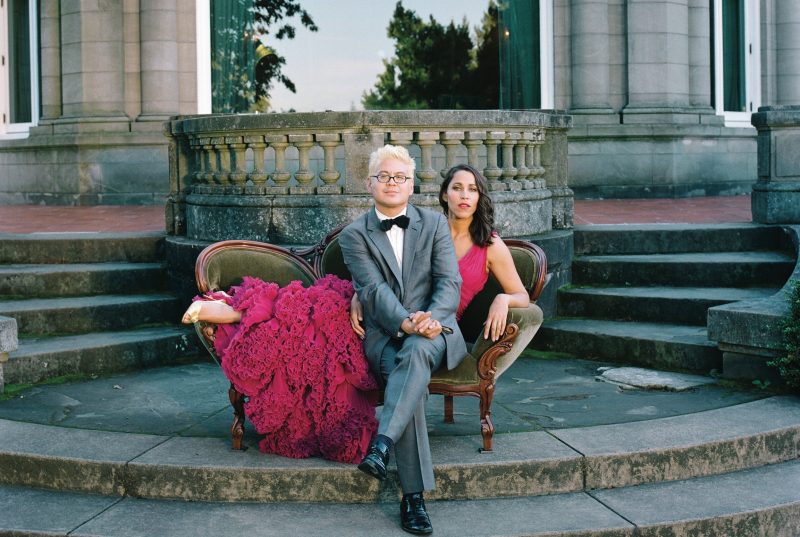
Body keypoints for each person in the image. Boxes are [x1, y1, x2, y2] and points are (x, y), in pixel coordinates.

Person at [338, 145, 466, 535]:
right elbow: (373, 291)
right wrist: (407, 324)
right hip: (387, 333)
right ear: (369, 183)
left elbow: (449, 282)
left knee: (415, 355)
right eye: (384, 176)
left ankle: (381, 445)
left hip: (436, 329)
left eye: (400, 177)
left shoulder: (434, 224)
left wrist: (430, 319)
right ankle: (414, 499)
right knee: (404, 364)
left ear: (412, 184)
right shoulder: (353, 235)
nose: (392, 183)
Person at [181, 275, 379, 465]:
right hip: (362, 293)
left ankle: (239, 311)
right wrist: (358, 294)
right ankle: (239, 310)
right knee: (312, 317)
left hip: (379, 305)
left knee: (319, 328)